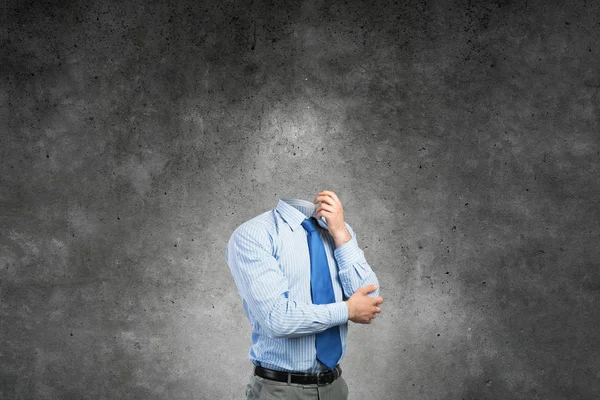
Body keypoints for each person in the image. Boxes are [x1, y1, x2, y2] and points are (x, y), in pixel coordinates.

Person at [225, 190, 383, 399]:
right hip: (280, 391)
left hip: (335, 388)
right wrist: (347, 310)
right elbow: (277, 319)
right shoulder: (254, 234)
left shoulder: (338, 232)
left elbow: (370, 301)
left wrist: (341, 234)